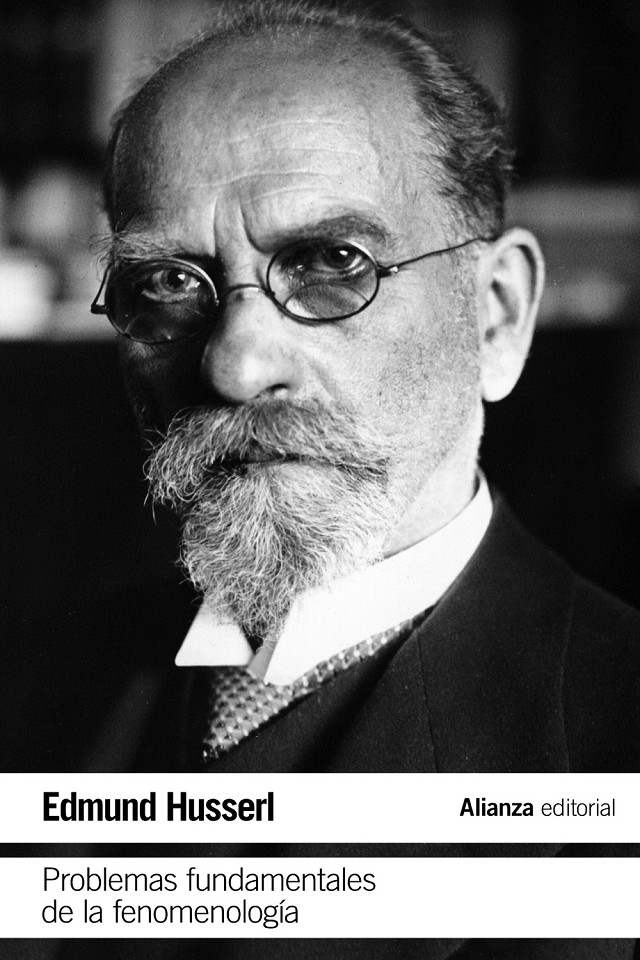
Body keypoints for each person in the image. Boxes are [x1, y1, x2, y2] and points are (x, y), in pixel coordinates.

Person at [3, 0, 640, 778]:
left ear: (497, 313)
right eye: (168, 282)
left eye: (333, 264)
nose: (235, 367)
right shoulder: (36, 681)